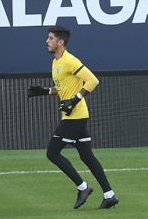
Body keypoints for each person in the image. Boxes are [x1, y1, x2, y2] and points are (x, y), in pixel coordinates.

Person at [27, 26, 118, 209]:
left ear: (60, 42)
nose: (47, 41)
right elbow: (63, 88)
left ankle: (83, 187)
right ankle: (109, 195)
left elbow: (93, 80)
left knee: (52, 153)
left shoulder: (70, 61)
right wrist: (45, 91)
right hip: (75, 116)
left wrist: (75, 99)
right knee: (87, 156)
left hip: (75, 117)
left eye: (51, 38)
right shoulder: (56, 62)